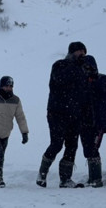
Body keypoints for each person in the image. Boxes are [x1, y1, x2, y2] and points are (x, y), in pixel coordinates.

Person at [37, 41, 90, 188]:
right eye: (80, 51)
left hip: (75, 114)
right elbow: (61, 79)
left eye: (84, 52)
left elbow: (85, 91)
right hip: (57, 112)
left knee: (72, 146)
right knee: (56, 144)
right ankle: (42, 174)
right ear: (72, 52)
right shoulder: (60, 65)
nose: (82, 54)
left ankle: (65, 179)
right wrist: (76, 67)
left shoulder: (82, 70)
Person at [79, 56, 106, 187]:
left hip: (98, 123)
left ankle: (96, 178)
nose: (87, 71)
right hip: (84, 122)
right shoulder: (82, 83)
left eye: (89, 67)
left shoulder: (103, 81)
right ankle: (92, 177)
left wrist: (94, 80)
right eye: (84, 68)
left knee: (93, 149)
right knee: (87, 149)